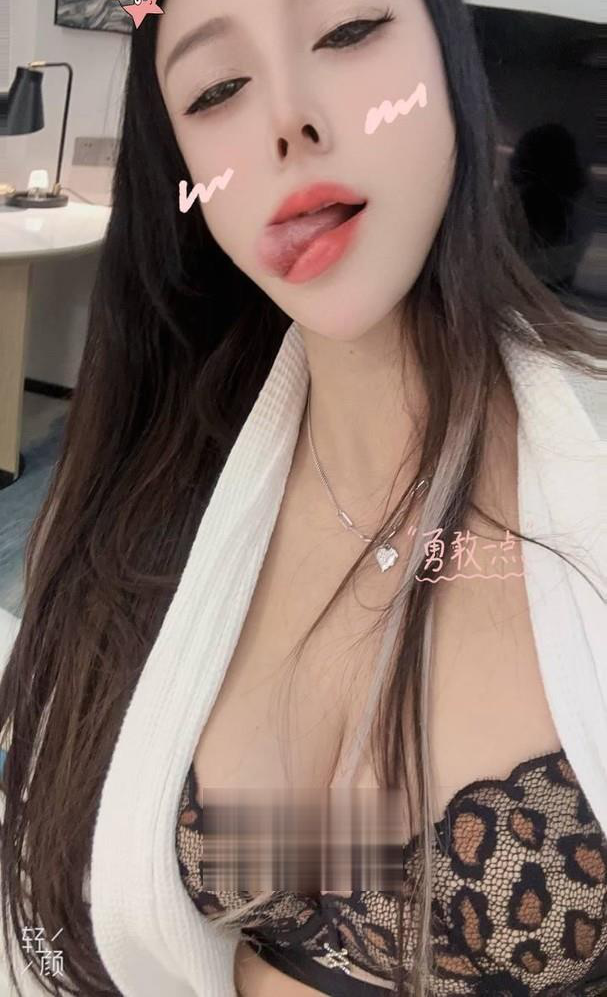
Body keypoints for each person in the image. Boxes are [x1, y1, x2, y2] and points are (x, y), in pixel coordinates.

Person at [0, 1, 605, 995]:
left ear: (451, 65)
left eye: (348, 30)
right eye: (217, 90)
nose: (288, 123)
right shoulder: (145, 494)